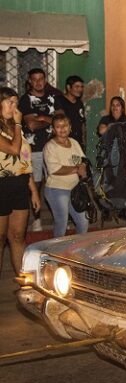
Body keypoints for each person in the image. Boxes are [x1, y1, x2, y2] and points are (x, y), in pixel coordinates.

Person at [0, 87, 41, 275]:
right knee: (0, 238)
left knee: (17, 236)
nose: (14, 106)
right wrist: (17, 124)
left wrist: (33, 190)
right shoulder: (16, 127)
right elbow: (14, 149)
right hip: (2, 185)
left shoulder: (18, 129)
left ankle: (23, 282)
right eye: (9, 102)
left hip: (19, 185)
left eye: (16, 102)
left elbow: (24, 160)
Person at [19, 68, 56, 232]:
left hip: (53, 148)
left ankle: (58, 216)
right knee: (37, 184)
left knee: (55, 183)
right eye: (35, 79)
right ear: (30, 81)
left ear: (45, 80)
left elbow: (62, 119)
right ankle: (37, 219)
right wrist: (51, 120)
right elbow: (31, 125)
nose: (38, 82)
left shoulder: (53, 98)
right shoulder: (25, 100)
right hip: (33, 149)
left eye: (41, 79)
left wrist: (41, 118)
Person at [42, 114, 89, 237]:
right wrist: (76, 169)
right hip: (57, 189)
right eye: (58, 126)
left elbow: (83, 158)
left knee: (83, 221)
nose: (62, 129)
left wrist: (83, 166)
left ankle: (77, 248)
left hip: (74, 188)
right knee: (61, 223)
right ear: (53, 130)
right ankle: (56, 252)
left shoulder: (74, 142)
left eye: (65, 126)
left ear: (70, 127)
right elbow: (54, 169)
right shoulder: (50, 146)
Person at [54, 75, 86, 149]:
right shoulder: (60, 100)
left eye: (81, 87)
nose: (80, 89)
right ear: (68, 87)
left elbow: (82, 124)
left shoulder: (79, 103)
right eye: (77, 87)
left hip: (77, 143)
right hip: (64, 142)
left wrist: (83, 143)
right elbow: (60, 122)